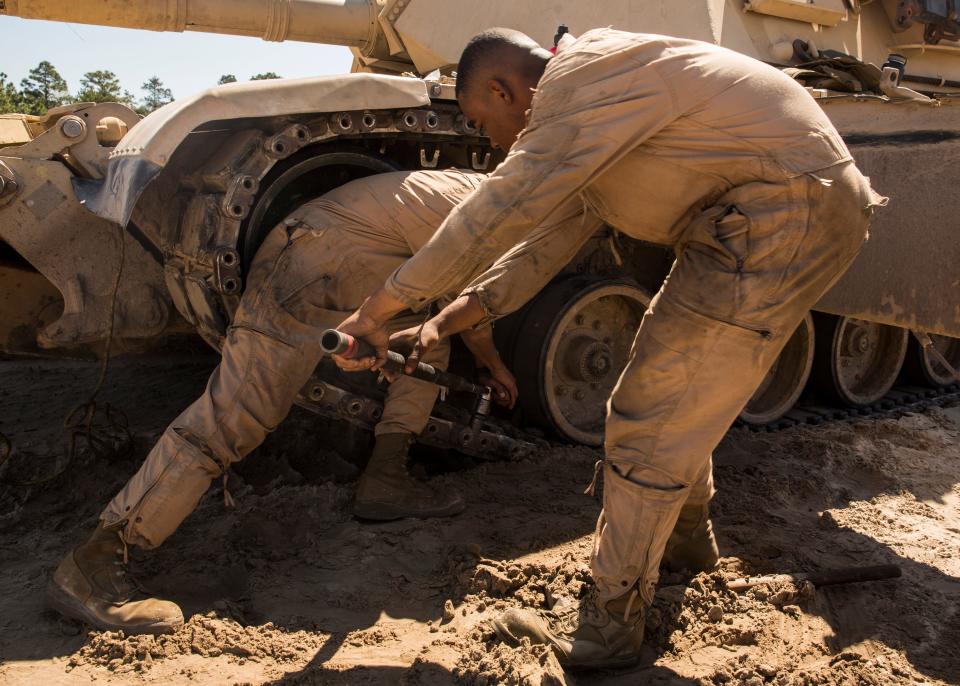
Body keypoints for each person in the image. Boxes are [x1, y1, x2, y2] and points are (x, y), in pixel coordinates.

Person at [334, 28, 884, 669]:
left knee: (650, 408)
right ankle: (684, 541)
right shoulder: (601, 103)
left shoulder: (579, 82)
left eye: (485, 122)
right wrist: (440, 324)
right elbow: (542, 244)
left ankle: (610, 625)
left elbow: (498, 210)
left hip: (779, 213)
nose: (490, 141)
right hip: (757, 217)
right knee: (678, 388)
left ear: (504, 89)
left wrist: (378, 308)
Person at [47, 169, 520, 636]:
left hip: (334, 260)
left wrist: (482, 360)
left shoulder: (483, 188)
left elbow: (457, 303)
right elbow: (477, 299)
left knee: (424, 342)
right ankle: (97, 559)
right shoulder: (503, 203)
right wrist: (494, 365)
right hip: (313, 265)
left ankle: (386, 477)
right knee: (236, 416)